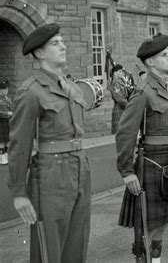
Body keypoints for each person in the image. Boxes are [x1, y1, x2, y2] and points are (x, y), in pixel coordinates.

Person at [8, 23, 91, 262]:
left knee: (77, 242)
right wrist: (19, 192)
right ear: (39, 53)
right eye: (55, 43)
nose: (63, 46)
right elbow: (19, 145)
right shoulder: (31, 91)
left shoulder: (70, 88)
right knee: (50, 246)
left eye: (62, 41)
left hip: (80, 169)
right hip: (51, 174)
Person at [116, 34, 168, 263]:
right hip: (151, 161)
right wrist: (127, 171)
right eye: (164, 55)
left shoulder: (165, 87)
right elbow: (125, 132)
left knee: (164, 219)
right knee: (148, 221)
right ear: (150, 62)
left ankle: (155, 260)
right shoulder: (143, 91)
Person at [109, 64, 130, 135]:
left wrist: (126, 82)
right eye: (120, 71)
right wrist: (129, 106)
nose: (122, 73)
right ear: (115, 73)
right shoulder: (115, 84)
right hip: (119, 108)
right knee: (120, 134)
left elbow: (128, 93)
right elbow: (120, 99)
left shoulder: (121, 82)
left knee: (125, 134)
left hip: (123, 108)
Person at [0, 79, 13, 165]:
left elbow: (12, 107)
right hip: (1, 122)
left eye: (7, 88)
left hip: (8, 121)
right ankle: (1, 158)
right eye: (4, 89)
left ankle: (7, 157)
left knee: (8, 139)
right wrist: (7, 113)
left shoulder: (7, 98)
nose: (6, 90)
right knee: (1, 141)